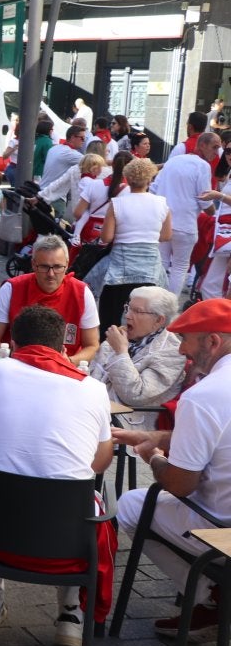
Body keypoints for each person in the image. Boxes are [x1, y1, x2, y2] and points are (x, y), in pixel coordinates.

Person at [0, 305, 114, 646]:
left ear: (12, 343)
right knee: (89, 500)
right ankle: (72, 612)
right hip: (67, 545)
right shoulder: (93, 389)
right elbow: (100, 462)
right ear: (64, 349)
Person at [115, 298, 231, 638]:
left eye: (186, 340)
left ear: (212, 341)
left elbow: (180, 485)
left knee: (132, 505)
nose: (182, 350)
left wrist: (153, 457)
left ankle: (211, 598)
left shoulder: (205, 395)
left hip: (221, 528)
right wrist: (158, 436)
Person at [0, 234, 100, 365]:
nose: (51, 274)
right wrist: (21, 358)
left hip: (63, 371)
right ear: (33, 264)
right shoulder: (11, 288)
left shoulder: (82, 293)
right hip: (16, 366)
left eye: (57, 267)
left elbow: (92, 346)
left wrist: (68, 361)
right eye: (44, 267)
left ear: (67, 265)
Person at [88, 286, 183, 431]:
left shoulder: (172, 353)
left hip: (127, 428)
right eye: (128, 308)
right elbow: (92, 378)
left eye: (137, 311)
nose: (127, 316)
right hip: (95, 414)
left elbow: (135, 394)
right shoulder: (118, 338)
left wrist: (121, 352)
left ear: (158, 320)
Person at [94, 158, 170, 328]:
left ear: (126, 179)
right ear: (150, 179)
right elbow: (166, 235)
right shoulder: (162, 203)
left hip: (120, 270)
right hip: (150, 269)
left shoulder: (117, 204)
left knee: (111, 317)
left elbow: (106, 238)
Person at [154, 131, 220, 296]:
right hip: (185, 224)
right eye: (215, 147)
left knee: (161, 263)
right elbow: (204, 200)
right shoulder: (202, 166)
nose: (217, 152)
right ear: (202, 145)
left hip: (163, 222)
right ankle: (168, 308)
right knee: (180, 266)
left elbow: (155, 188)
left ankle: (156, 305)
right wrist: (214, 212)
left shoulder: (173, 161)